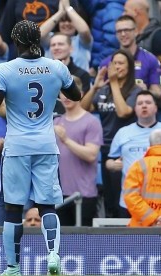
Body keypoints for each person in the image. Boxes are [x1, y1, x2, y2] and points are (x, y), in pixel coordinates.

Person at [0, 20, 81, 275]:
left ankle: (13, 266)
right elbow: (75, 95)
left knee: (12, 207)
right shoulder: (56, 67)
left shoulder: (7, 69)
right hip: (46, 144)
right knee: (47, 205)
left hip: (17, 146)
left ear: (16, 42)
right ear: (39, 40)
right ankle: (53, 255)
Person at [80, 49, 142, 218]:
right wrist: (95, 87)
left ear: (129, 68)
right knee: (110, 198)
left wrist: (113, 82)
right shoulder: (104, 90)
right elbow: (83, 109)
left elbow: (123, 112)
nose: (116, 67)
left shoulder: (135, 90)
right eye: (114, 63)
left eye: (121, 63)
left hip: (127, 149)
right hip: (106, 147)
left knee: (125, 197)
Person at [106, 90, 161, 217]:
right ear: (135, 109)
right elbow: (109, 161)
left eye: (148, 102)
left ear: (156, 108)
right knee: (131, 237)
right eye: (140, 103)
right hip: (130, 200)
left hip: (160, 202)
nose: (144, 105)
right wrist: (112, 165)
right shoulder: (123, 132)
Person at [54, 77, 103, 226]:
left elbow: (91, 155)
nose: (66, 96)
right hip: (59, 195)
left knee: (83, 245)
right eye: (63, 92)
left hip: (83, 195)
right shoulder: (56, 122)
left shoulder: (91, 121)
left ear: (80, 94)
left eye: (70, 92)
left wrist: (66, 140)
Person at [99, 15, 161, 99]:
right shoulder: (106, 63)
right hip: (114, 108)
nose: (123, 34)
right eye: (119, 31)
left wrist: (145, 91)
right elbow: (99, 94)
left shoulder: (151, 60)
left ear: (136, 31)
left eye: (127, 30)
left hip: (140, 107)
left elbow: (159, 93)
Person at [123, 129, 161, 227]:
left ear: (150, 145)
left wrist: (153, 217)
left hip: (142, 230)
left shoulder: (139, 166)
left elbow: (130, 197)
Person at [40, 0, 92, 71]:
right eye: (63, 21)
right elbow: (39, 34)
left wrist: (68, 8)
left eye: (70, 21)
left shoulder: (80, 41)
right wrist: (60, 12)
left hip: (79, 80)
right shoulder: (51, 39)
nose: (66, 24)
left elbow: (84, 31)